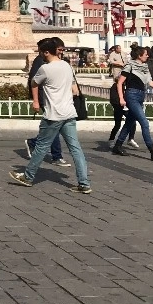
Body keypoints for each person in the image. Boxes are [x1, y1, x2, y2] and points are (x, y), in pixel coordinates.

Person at [9, 37, 91, 193]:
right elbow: (73, 87)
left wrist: (35, 101)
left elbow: (33, 83)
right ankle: (84, 183)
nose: (40, 55)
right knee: (76, 149)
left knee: (41, 147)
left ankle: (28, 176)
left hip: (53, 115)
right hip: (69, 113)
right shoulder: (67, 66)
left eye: (41, 52)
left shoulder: (45, 69)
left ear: (46, 52)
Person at [112, 46, 153, 161]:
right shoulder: (130, 66)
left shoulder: (144, 66)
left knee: (129, 122)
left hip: (141, 95)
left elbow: (149, 82)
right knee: (144, 123)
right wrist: (121, 98)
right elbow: (120, 82)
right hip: (131, 95)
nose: (147, 55)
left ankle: (117, 146)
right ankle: (152, 151)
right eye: (145, 54)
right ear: (139, 55)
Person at [25, 38, 70, 167]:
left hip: (57, 100)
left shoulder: (60, 63)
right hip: (46, 99)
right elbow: (33, 81)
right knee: (54, 128)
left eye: (63, 50)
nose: (61, 52)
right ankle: (57, 156)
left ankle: (33, 142)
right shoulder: (40, 61)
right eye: (59, 49)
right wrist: (36, 101)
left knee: (53, 129)